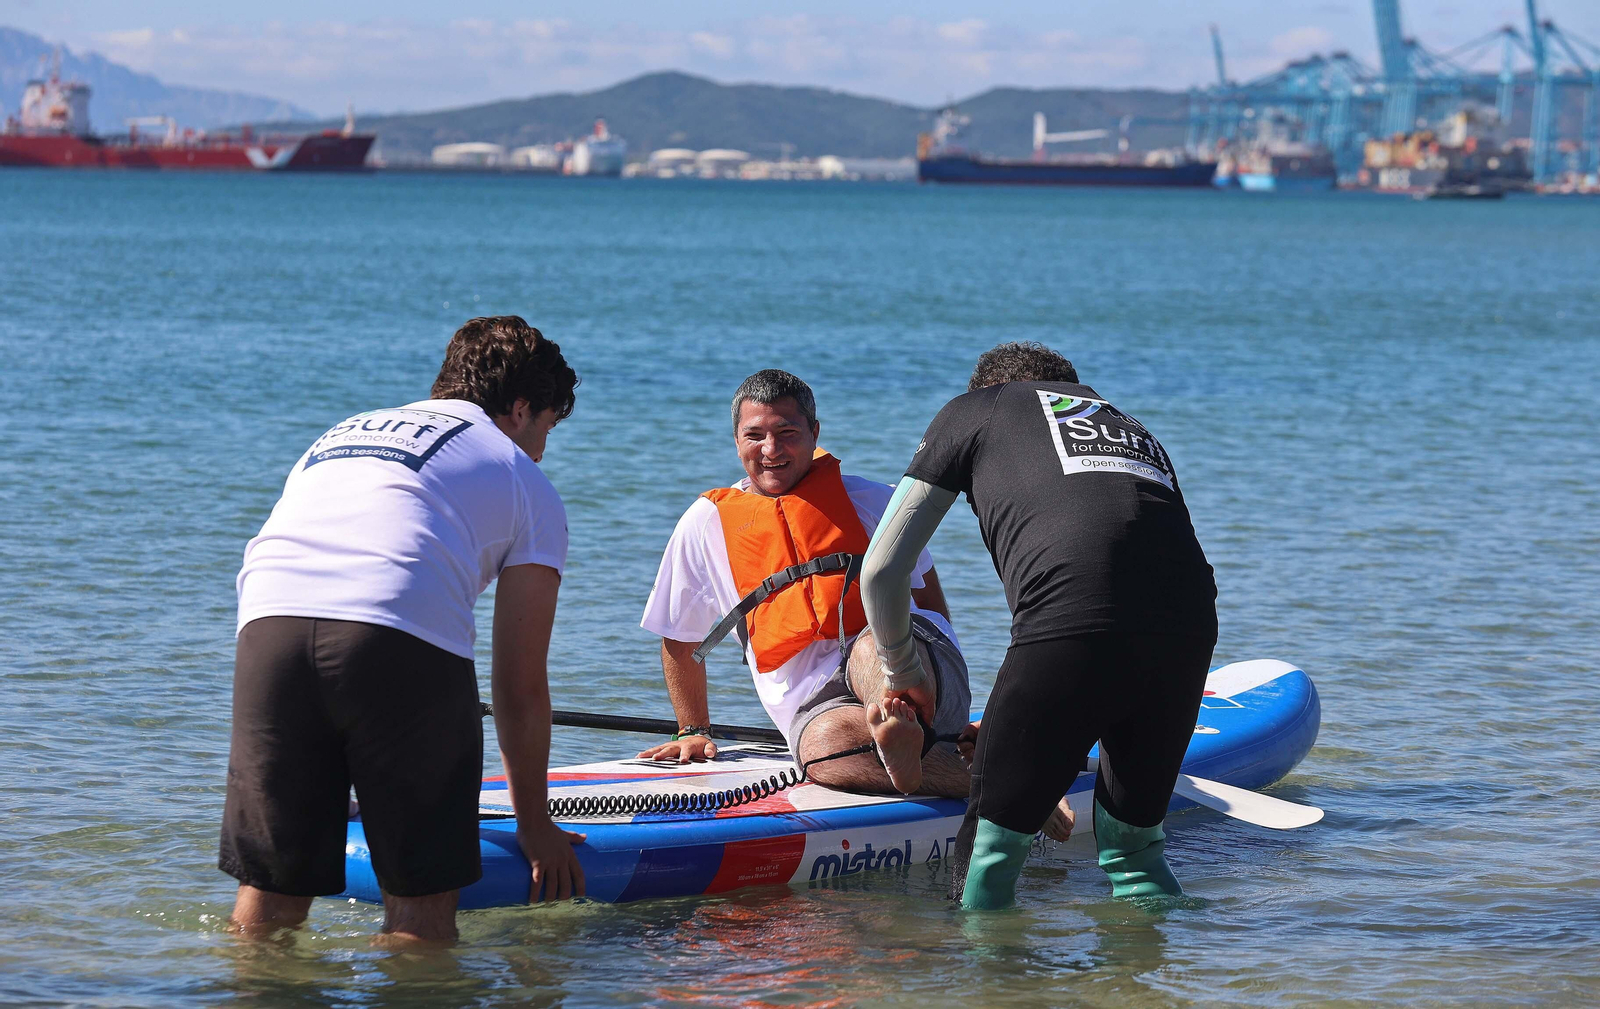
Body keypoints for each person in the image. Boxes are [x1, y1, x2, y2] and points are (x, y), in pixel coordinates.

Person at [221, 316, 587, 942]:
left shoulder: (341, 432)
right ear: (523, 407)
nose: (542, 449)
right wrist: (535, 824)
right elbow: (518, 684)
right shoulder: (525, 479)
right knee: (420, 906)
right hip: (394, 639)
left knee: (270, 896)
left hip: (266, 631)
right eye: (547, 426)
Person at [860, 342, 1219, 909]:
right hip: (1189, 630)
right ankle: (1163, 983)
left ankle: (986, 991)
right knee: (1135, 851)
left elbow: (881, 570)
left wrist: (904, 669)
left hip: (1070, 623)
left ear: (991, 386)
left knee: (991, 854)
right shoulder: (1129, 426)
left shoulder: (978, 407)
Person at [636, 369, 976, 798]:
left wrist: (942, 695)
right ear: (736, 441)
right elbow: (680, 637)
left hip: (908, 668)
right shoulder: (704, 525)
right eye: (754, 435)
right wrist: (692, 729)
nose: (771, 449)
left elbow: (929, 604)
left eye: (787, 432)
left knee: (872, 648)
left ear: (815, 433)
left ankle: (904, 723)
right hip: (820, 705)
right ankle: (984, 781)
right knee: (824, 750)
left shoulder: (876, 501)